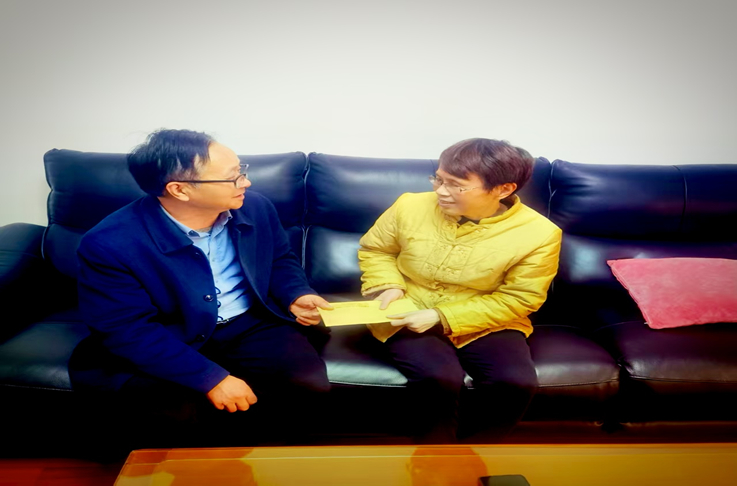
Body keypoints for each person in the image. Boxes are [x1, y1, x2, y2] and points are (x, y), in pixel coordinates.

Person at [70, 129, 331, 445]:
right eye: (233, 177)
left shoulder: (255, 207)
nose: (246, 183)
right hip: (171, 330)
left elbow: (278, 259)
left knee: (307, 385)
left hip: (249, 323)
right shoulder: (109, 243)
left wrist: (295, 294)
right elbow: (126, 329)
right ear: (179, 189)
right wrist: (211, 378)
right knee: (176, 413)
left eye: (241, 171)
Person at [358, 138, 561, 443]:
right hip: (409, 307)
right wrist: (388, 286)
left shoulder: (540, 233)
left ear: (503, 189)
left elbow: (520, 298)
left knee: (514, 383)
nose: (440, 191)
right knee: (437, 378)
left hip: (486, 317)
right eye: (438, 179)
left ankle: (471, 457)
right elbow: (377, 250)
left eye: (456, 185)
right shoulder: (409, 205)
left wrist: (441, 316)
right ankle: (433, 459)